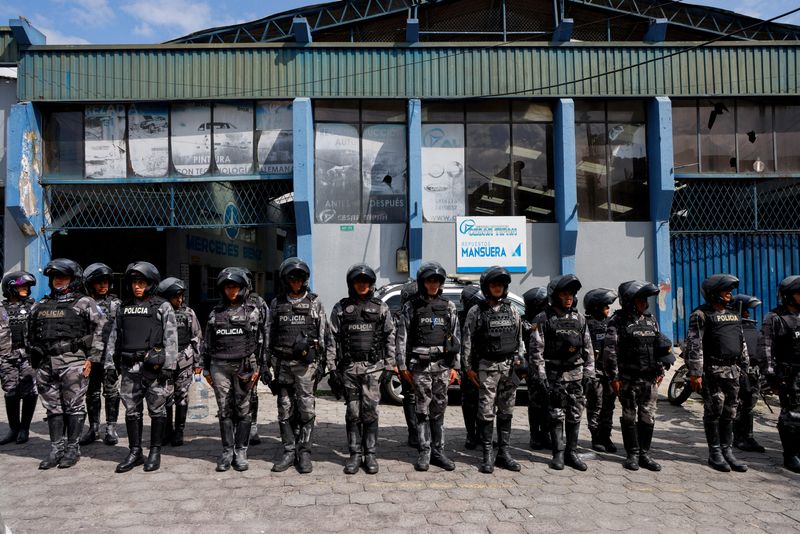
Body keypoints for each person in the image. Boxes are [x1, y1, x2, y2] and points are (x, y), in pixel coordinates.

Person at [28, 259, 106, 469]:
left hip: (73, 362)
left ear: (73, 280)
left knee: (74, 407)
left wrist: (92, 359)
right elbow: (30, 333)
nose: (58, 281)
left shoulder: (84, 302)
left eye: (63, 277)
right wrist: (33, 356)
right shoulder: (40, 304)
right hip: (46, 364)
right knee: (53, 409)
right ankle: (56, 449)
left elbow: (100, 330)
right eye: (55, 277)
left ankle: (72, 449)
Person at [264, 257, 332, 474]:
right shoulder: (277, 304)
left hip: (306, 368)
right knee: (284, 409)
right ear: (286, 280)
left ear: (305, 280)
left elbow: (325, 336)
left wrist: (325, 365)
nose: (296, 282)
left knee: (306, 409)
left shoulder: (315, 303)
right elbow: (268, 335)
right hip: (283, 366)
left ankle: (304, 452)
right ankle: (288, 450)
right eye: (292, 278)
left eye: (299, 279)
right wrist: (265, 364)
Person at [329, 264, 395, 474]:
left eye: (366, 282)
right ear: (352, 284)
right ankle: (355, 454)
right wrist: (332, 370)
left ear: (371, 284)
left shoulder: (381, 308)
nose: (362, 285)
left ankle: (371, 454)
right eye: (358, 281)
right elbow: (332, 339)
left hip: (373, 369)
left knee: (371, 413)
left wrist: (389, 366)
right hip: (349, 370)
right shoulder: (340, 308)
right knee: (353, 412)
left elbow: (390, 337)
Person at [114, 262, 178, 473]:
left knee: (156, 409)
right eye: (134, 283)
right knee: (132, 410)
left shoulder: (162, 306)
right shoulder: (123, 307)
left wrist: (169, 365)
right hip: (128, 367)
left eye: (141, 282)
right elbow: (114, 337)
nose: (137, 287)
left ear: (151, 284)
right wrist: (108, 364)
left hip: (154, 367)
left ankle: (155, 451)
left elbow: (171, 338)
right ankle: (135, 452)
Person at [198, 270, 263, 472]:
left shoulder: (253, 311)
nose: (231, 290)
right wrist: (205, 369)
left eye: (235, 287)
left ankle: (241, 451)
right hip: (220, 367)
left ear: (242, 288)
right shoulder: (215, 313)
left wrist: (259, 368)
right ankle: (227, 451)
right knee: (225, 410)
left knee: (243, 409)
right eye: (228, 287)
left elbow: (261, 342)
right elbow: (206, 343)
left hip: (244, 366)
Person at [397, 261, 460, 472]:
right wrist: (401, 365)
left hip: (442, 366)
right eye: (429, 280)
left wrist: (454, 367)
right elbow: (401, 338)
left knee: (439, 408)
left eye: (436, 281)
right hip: (420, 366)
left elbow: (455, 338)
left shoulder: (448, 307)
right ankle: (424, 450)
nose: (433, 284)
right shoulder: (411, 307)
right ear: (423, 282)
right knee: (422, 408)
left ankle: (438, 451)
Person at [604, 281, 672, 471]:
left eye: (645, 299)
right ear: (629, 301)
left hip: (649, 379)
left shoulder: (651, 320)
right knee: (628, 415)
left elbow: (659, 347)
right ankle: (632, 454)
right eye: (640, 299)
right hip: (628, 378)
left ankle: (645, 454)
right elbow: (610, 351)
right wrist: (614, 377)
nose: (645, 303)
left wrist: (660, 370)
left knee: (647, 416)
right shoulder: (617, 321)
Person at [462, 266, 524, 474]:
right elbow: (467, 341)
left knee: (506, 410)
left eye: (501, 284)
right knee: (486, 412)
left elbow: (519, 340)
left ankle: (503, 453)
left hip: (508, 368)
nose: (498, 287)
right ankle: (487, 455)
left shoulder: (512, 310)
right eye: (494, 284)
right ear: (487, 287)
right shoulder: (476, 311)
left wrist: (520, 362)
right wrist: (468, 368)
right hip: (487, 368)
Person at [530, 274, 595, 471]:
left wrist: (589, 373)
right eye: (565, 294)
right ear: (555, 295)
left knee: (575, 414)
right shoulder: (543, 318)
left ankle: (571, 452)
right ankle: (558, 453)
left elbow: (588, 347)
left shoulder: (579, 318)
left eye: (571, 294)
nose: (569, 297)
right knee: (556, 414)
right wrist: (540, 376)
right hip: (554, 375)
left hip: (576, 374)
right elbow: (536, 350)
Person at [686, 273, 749, 473]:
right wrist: (695, 372)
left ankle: (727, 451)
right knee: (715, 410)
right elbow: (694, 345)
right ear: (714, 293)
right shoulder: (700, 315)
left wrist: (745, 368)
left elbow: (741, 342)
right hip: (712, 370)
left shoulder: (733, 314)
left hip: (733, 370)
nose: (730, 293)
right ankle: (715, 453)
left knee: (730, 411)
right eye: (725, 290)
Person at [78, 263, 122, 447]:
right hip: (90, 358)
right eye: (98, 282)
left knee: (111, 392)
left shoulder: (116, 304)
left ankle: (111, 428)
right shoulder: (83, 303)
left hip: (110, 357)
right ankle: (93, 428)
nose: (103, 285)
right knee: (91, 392)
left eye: (106, 282)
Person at [760, 276, 800, 473]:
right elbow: (766, 348)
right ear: (788, 296)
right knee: (791, 416)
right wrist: (771, 375)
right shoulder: (775, 318)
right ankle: (790, 455)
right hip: (788, 376)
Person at [158, 277, 202, 447]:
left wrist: (198, 364)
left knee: (181, 397)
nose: (180, 299)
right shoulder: (159, 313)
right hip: (165, 363)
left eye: (182, 296)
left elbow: (197, 338)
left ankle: (179, 431)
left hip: (184, 360)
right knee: (166, 397)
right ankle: (167, 430)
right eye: (176, 296)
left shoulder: (189, 313)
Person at [0, 271, 37, 445]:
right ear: (10, 288)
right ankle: (14, 429)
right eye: (21, 286)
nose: (25, 289)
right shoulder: (1, 309)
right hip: (7, 356)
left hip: (28, 355)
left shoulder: (34, 306)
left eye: (27, 287)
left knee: (29, 391)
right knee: (11, 391)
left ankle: (25, 428)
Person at [583, 288, 618, 453]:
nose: (608, 310)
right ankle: (596, 437)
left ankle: (606, 436)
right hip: (595, 372)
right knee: (596, 404)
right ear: (596, 307)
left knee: (609, 405)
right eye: (605, 306)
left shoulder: (612, 323)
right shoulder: (586, 324)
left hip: (610, 372)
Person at [731, 294, 766, 453]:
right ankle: (738, 438)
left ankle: (749, 436)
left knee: (749, 405)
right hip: (739, 373)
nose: (748, 314)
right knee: (739, 405)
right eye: (745, 311)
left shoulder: (751, 328)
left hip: (754, 373)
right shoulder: (732, 328)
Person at [522, 287, 550, 450]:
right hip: (532, 369)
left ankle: (545, 434)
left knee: (548, 403)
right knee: (535, 404)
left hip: (548, 367)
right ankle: (535, 435)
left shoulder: (546, 319)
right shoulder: (526, 321)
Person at [458, 284, 483, 450]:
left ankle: (483, 435)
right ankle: (471, 435)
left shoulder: (482, 314)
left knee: (486, 402)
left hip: (485, 364)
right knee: (469, 403)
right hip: (468, 365)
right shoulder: (460, 316)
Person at [396, 281, 419, 448]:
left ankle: (424, 433)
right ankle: (413, 432)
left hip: (425, 360)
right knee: (410, 396)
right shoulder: (401, 315)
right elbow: (396, 341)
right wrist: (399, 364)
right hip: (408, 360)